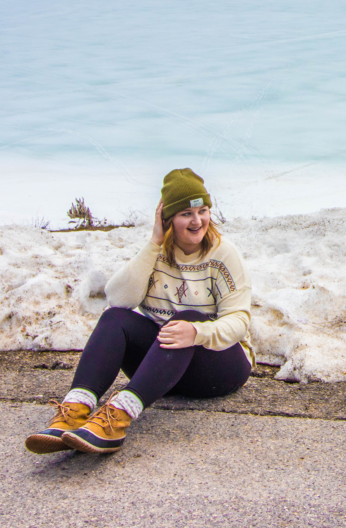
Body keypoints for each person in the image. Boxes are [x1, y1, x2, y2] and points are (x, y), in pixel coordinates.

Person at [25, 168, 253, 455]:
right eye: (186, 213)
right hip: (160, 371)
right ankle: (75, 410)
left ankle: (116, 420)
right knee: (114, 319)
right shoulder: (155, 253)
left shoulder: (223, 254)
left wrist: (197, 331)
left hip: (219, 368)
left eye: (203, 210)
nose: (197, 221)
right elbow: (118, 299)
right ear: (167, 218)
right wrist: (154, 243)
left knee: (189, 318)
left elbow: (240, 321)